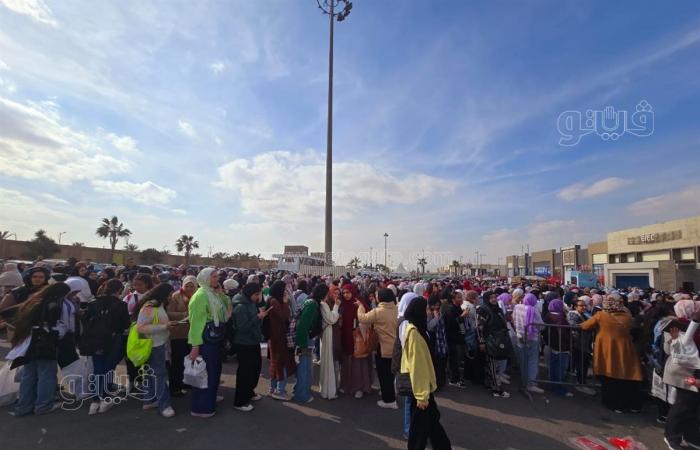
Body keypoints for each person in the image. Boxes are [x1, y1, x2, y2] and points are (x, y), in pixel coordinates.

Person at [10, 282, 71, 416]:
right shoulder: (54, 304)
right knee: (46, 374)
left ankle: (23, 407)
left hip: (27, 341)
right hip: (45, 342)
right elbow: (57, 326)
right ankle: (43, 405)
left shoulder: (34, 301)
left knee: (28, 375)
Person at [402, 296, 452, 450]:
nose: (428, 312)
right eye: (425, 309)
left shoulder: (416, 329)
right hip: (421, 390)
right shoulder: (415, 334)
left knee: (430, 424)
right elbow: (417, 366)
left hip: (423, 387)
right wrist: (421, 395)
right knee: (421, 429)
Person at [581, 294, 644, 413]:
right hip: (625, 349)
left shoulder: (601, 315)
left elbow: (585, 326)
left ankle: (613, 404)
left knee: (609, 377)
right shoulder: (627, 316)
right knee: (624, 377)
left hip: (607, 349)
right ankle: (630, 404)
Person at [81, 279, 130, 415]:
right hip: (114, 338)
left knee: (98, 368)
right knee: (109, 367)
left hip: (96, 339)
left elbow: (85, 320)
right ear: (119, 290)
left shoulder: (93, 303)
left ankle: (95, 400)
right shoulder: (121, 305)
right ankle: (105, 398)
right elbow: (125, 324)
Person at [188, 268, 230, 417]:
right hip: (205, 341)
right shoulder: (200, 296)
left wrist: (221, 293)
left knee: (213, 372)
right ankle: (201, 408)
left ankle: (210, 399)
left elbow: (225, 310)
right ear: (205, 278)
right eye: (213, 277)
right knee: (204, 374)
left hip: (214, 339)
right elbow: (196, 324)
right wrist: (195, 346)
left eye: (216, 277)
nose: (216, 279)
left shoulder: (212, 294)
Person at [663, 301, 700, 450]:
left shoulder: (696, 324)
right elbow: (668, 349)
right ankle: (671, 436)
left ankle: (691, 436)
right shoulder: (674, 325)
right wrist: (674, 340)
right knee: (683, 404)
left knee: (693, 405)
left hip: (695, 370)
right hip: (682, 372)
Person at [136, 283, 176, 418]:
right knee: (160, 374)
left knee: (149, 373)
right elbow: (141, 327)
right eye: (169, 294)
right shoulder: (150, 306)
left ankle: (150, 399)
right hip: (154, 345)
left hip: (156, 343)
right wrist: (164, 327)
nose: (171, 297)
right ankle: (164, 405)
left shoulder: (157, 306)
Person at [358, 287, 399, 408]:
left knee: (384, 374)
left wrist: (360, 307)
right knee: (390, 374)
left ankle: (389, 401)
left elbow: (362, 318)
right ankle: (389, 394)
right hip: (395, 347)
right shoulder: (396, 309)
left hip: (383, 348)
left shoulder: (378, 311)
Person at [232, 282, 266, 412]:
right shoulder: (240, 307)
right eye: (256, 294)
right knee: (245, 373)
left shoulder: (251, 303)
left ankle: (249, 392)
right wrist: (258, 317)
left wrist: (259, 317)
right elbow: (242, 328)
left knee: (255, 369)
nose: (258, 297)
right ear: (249, 293)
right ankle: (240, 401)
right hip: (244, 343)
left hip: (253, 341)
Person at [294, 283, 327, 403]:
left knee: (306, 367)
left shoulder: (310, 301)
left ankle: (301, 390)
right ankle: (301, 394)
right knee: (304, 368)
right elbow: (303, 325)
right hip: (305, 340)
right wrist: (302, 344)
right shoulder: (312, 304)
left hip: (306, 339)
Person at [339, 283, 373, 398]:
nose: (345, 295)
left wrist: (360, 308)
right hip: (346, 336)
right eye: (343, 293)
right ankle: (346, 385)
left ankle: (360, 387)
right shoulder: (342, 304)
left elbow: (367, 318)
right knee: (347, 362)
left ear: (352, 292)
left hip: (357, 337)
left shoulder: (359, 302)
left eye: (347, 292)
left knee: (358, 363)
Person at [476, 291, 511, 398]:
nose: (493, 299)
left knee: (493, 365)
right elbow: (479, 327)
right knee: (493, 365)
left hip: (498, 340)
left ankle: (490, 385)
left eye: (494, 297)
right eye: (491, 298)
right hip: (490, 340)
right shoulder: (483, 310)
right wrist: (481, 341)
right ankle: (497, 389)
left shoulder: (497, 309)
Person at [167, 274, 196, 397]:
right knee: (178, 362)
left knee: (190, 361)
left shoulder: (198, 296)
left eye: (192, 286)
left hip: (193, 334)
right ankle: (175, 387)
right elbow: (169, 312)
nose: (189, 288)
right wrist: (184, 314)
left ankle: (186, 382)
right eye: (187, 285)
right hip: (178, 334)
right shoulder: (176, 296)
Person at [267, 280, 294, 400]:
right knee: (280, 362)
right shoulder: (274, 301)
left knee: (276, 362)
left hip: (275, 335)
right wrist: (286, 303)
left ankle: (273, 388)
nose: (285, 292)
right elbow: (284, 316)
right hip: (278, 336)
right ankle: (279, 390)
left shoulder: (272, 299)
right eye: (283, 289)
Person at [513, 292, 544, 394]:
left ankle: (524, 381)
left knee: (523, 360)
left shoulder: (517, 307)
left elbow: (513, 319)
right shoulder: (534, 310)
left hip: (520, 336)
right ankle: (530, 383)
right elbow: (541, 325)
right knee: (532, 360)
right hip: (532, 338)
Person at [543, 299, 573, 397]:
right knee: (560, 368)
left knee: (553, 366)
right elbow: (564, 333)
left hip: (552, 345)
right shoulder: (560, 318)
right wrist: (570, 342)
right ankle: (559, 388)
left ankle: (553, 384)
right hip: (562, 346)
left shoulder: (548, 315)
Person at [568, 298, 595, 396]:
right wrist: (588, 325)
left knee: (584, 363)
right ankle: (581, 384)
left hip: (585, 343)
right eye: (581, 305)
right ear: (575, 307)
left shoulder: (586, 314)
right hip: (578, 344)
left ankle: (581, 381)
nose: (584, 307)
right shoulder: (573, 314)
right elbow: (574, 325)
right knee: (581, 363)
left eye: (584, 305)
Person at [319, 284, 341, 400]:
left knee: (333, 361)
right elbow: (331, 319)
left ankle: (332, 388)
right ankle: (329, 390)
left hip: (334, 335)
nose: (336, 296)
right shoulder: (325, 304)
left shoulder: (328, 304)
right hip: (328, 335)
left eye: (338, 294)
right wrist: (336, 307)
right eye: (334, 293)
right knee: (329, 361)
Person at [443, 291, 467, 389]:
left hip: (458, 336)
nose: (461, 299)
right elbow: (451, 324)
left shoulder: (458, 308)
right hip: (452, 337)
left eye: (461, 297)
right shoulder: (450, 309)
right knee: (454, 359)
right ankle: (454, 379)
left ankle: (456, 377)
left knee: (457, 358)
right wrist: (462, 316)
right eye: (458, 297)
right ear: (453, 299)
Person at [427, 297, 448, 389]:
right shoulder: (428, 314)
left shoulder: (440, 313)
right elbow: (429, 327)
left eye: (438, 305)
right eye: (435, 305)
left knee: (441, 363)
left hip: (441, 342)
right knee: (435, 364)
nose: (437, 307)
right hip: (433, 342)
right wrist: (436, 318)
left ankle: (441, 381)